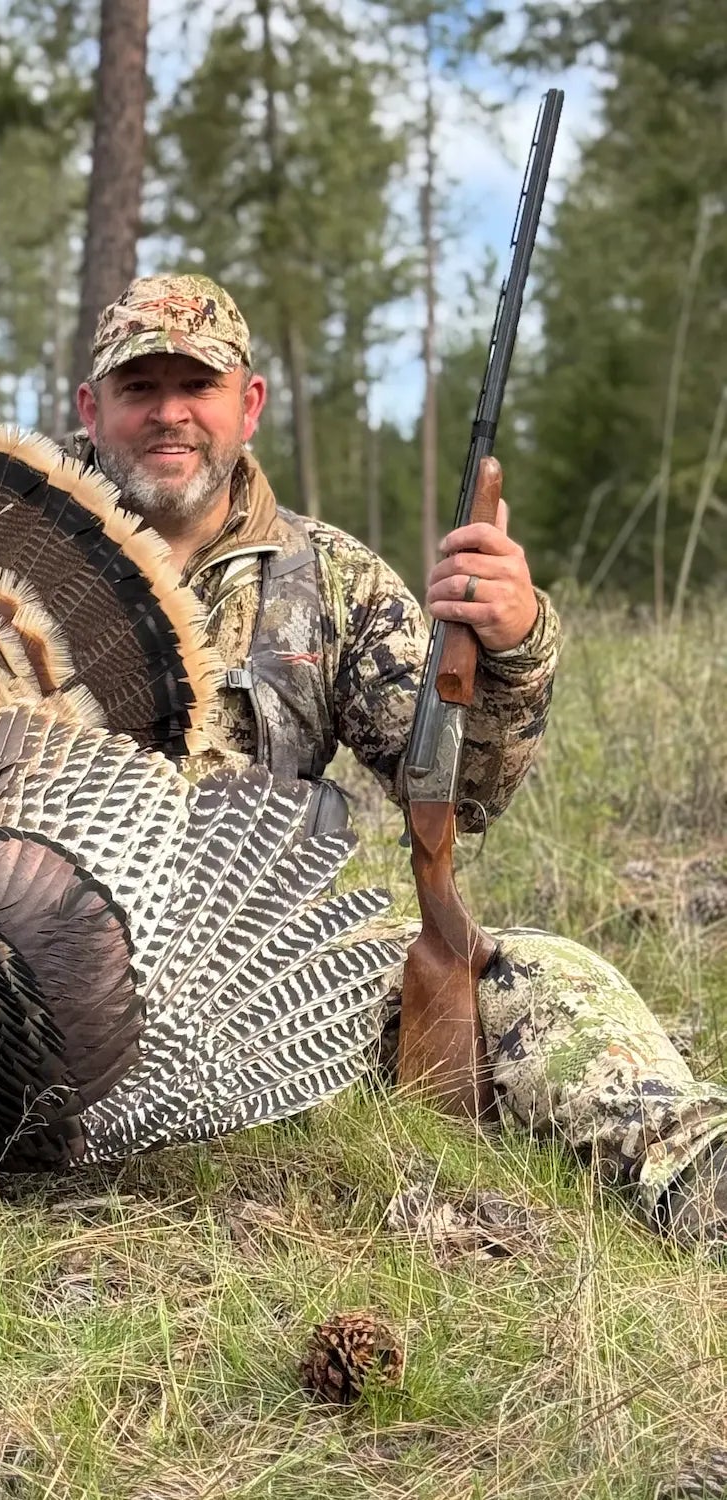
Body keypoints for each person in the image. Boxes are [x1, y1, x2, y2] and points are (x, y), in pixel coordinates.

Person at [73, 272, 727, 1250]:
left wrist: (509, 647)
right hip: (48, 979)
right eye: (139, 388)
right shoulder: (5, 558)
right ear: (92, 410)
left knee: (539, 979)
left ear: (247, 404)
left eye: (195, 385)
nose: (169, 413)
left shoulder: (326, 579)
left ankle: (697, 1174)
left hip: (266, 982)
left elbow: (457, 796)